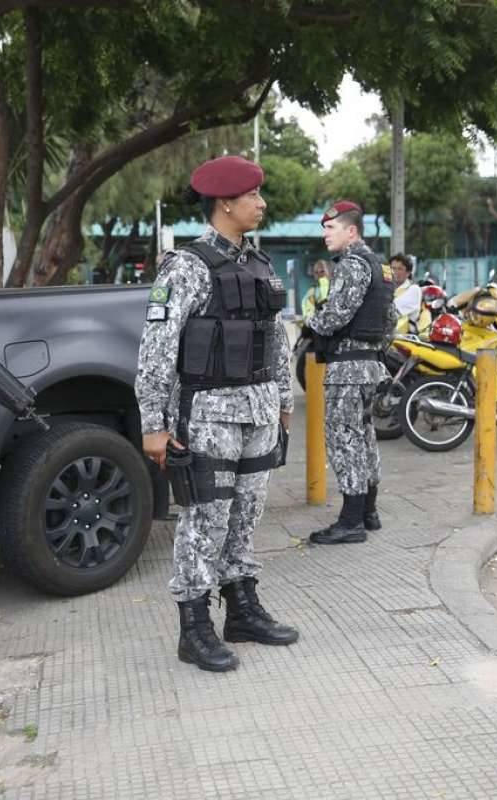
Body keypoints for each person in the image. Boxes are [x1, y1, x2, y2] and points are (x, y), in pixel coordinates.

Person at [136, 155, 299, 673]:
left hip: (257, 409)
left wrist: (284, 401)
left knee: (247, 514)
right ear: (225, 203)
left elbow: (276, 338)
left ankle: (242, 608)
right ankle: (194, 625)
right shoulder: (186, 267)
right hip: (208, 413)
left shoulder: (260, 264)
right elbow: (156, 349)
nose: (261, 203)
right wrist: (154, 424)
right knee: (205, 518)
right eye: (253, 196)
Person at [306, 201, 396, 545]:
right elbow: (390, 320)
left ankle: (350, 521)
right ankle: (368, 512)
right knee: (363, 437)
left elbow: (336, 316)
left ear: (351, 230)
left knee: (344, 440)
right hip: (371, 362)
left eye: (331, 228)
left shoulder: (351, 265)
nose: (325, 234)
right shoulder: (381, 267)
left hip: (348, 366)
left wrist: (310, 323)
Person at [391, 253, 429, 336]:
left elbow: (391, 312)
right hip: (389, 339)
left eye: (400, 269)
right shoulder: (388, 288)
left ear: (408, 273)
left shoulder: (413, 290)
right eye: (393, 268)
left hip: (405, 341)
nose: (395, 272)